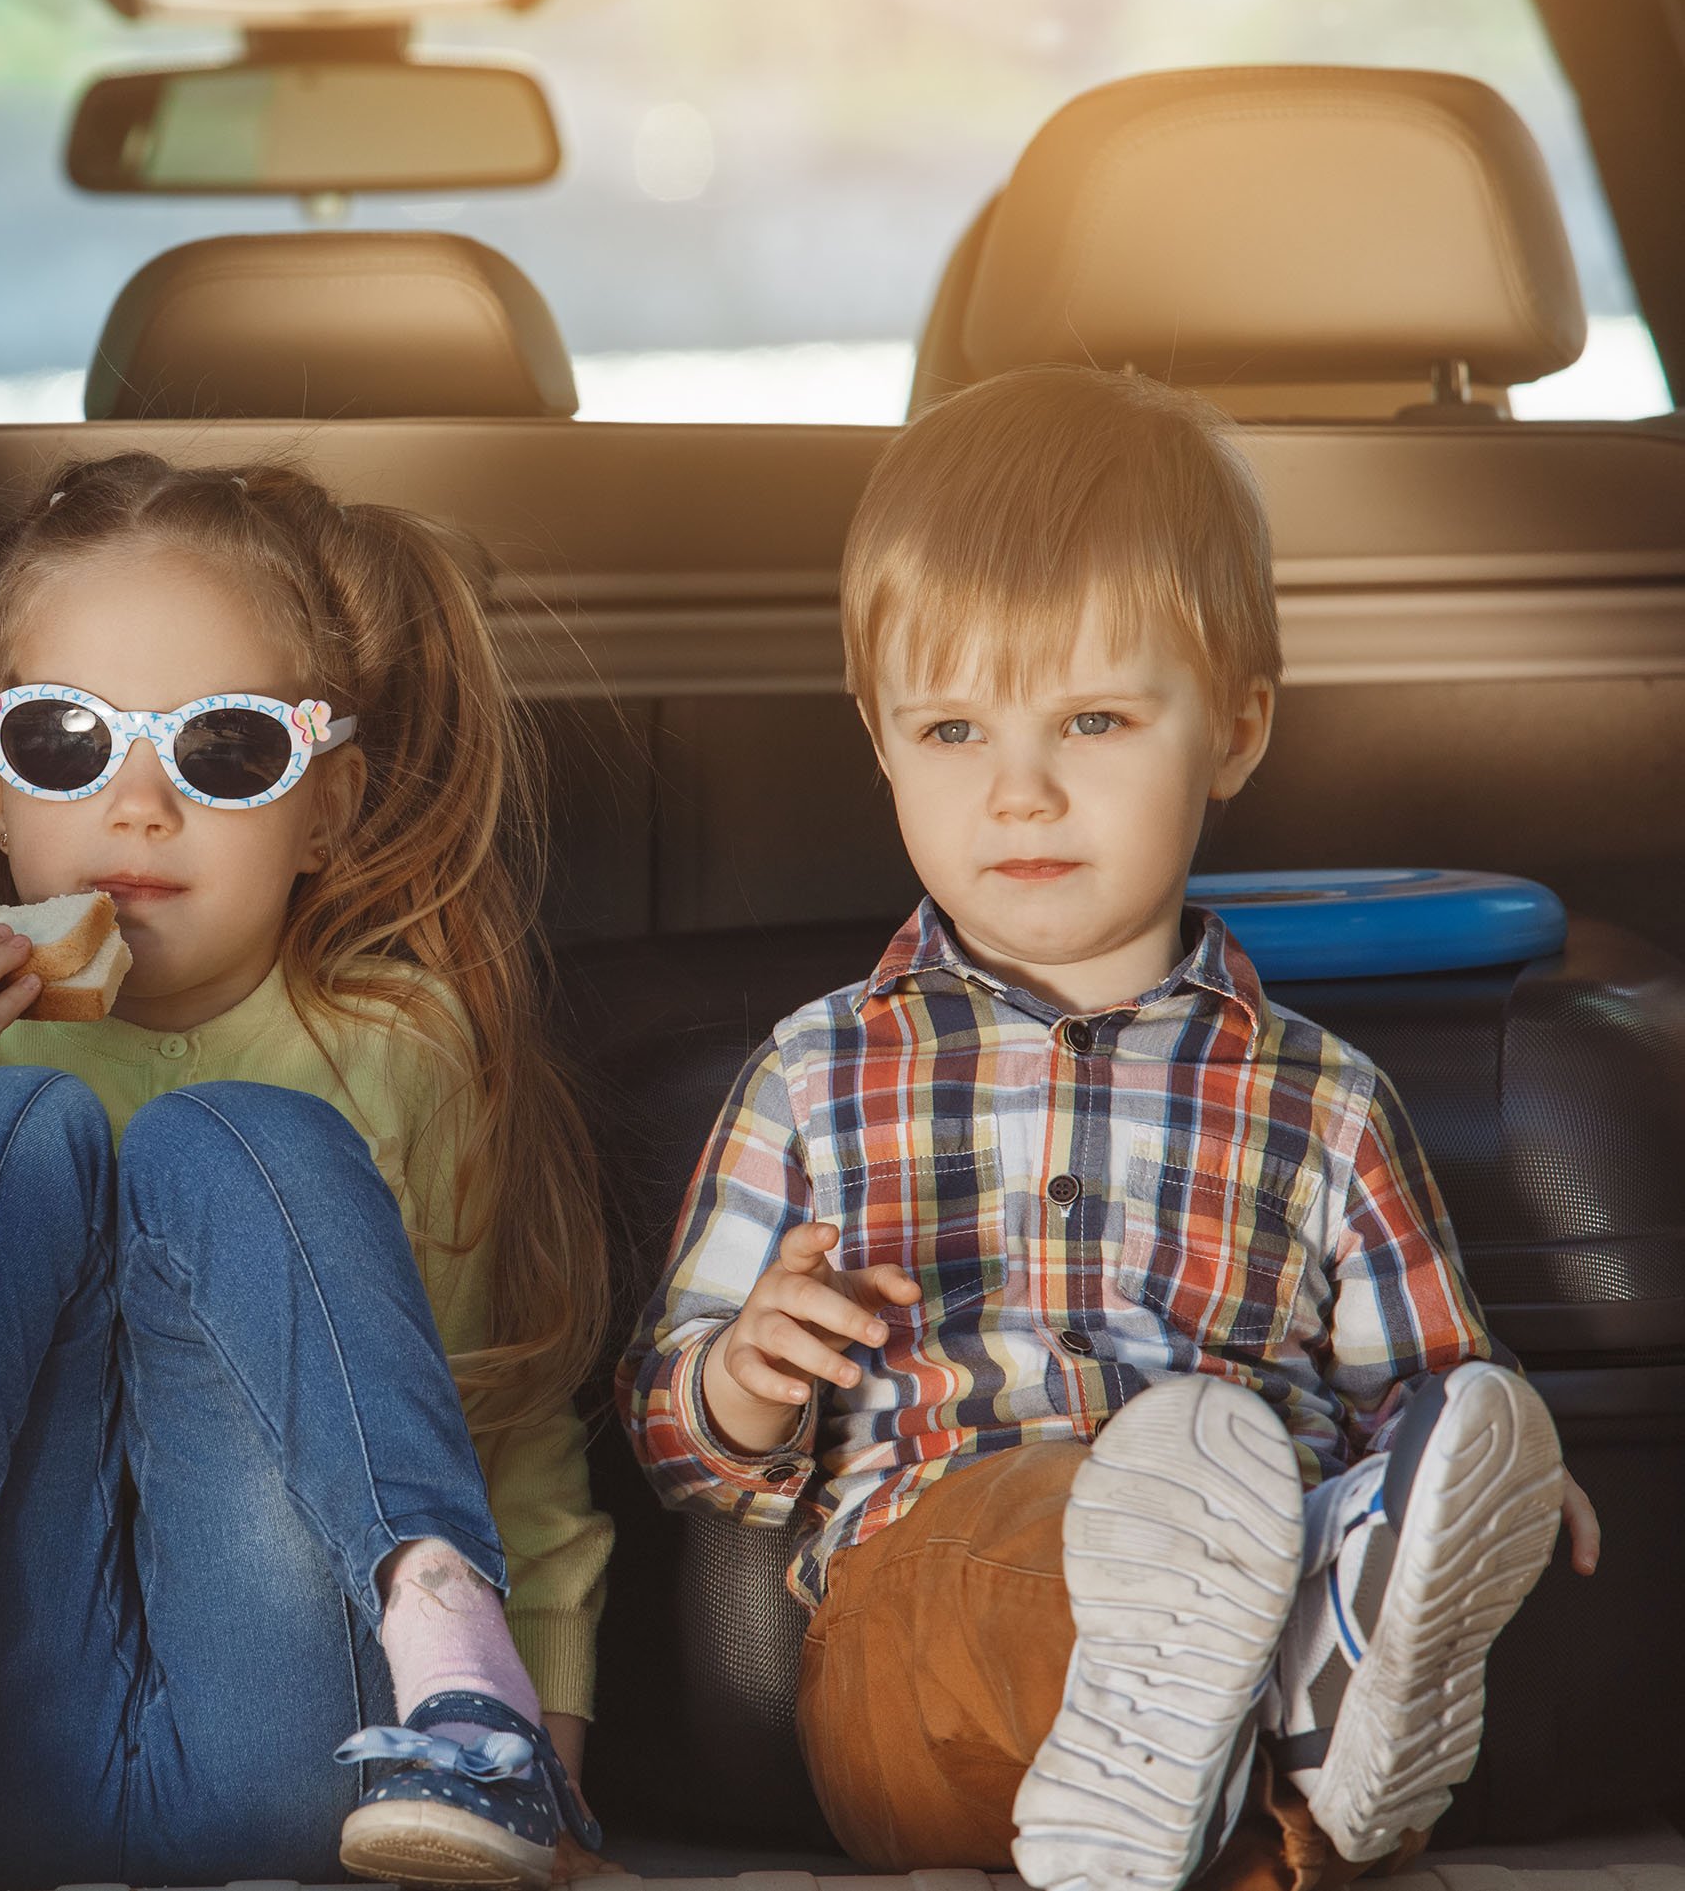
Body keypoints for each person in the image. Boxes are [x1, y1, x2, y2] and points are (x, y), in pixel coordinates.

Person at [620, 366, 1602, 1891]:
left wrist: (1483, 1478)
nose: (1018, 792)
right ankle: (1285, 1711)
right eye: (950, 728)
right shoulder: (815, 1073)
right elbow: (672, 1436)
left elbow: (1427, 1385)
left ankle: (1304, 1719)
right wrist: (746, 1373)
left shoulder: (1322, 1097)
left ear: (1232, 728)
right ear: (877, 742)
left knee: (1309, 1513)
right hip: (923, 1620)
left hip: (1258, 1572)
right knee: (1045, 1542)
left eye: (1090, 718)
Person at [0, 453, 614, 1891]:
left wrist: (552, 1783)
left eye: (226, 748)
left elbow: (501, 1422)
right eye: (66, 740)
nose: (137, 806)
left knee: (236, 1141)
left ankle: (467, 1691)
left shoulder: (400, 1046)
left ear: (325, 808)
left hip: (325, 1767)